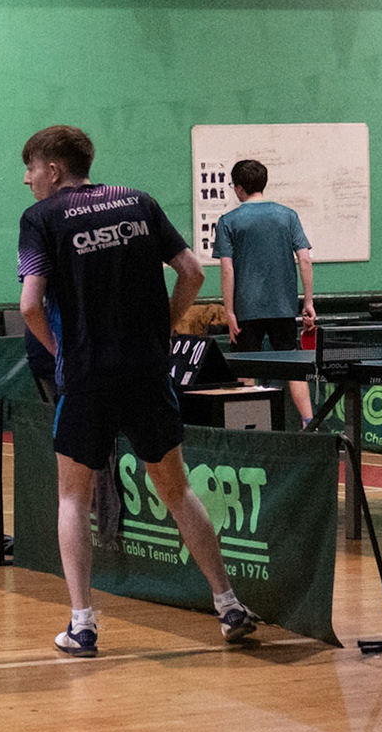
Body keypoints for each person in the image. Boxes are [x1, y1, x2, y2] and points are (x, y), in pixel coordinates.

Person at [16, 124, 261, 658]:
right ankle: (228, 605)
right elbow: (192, 272)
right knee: (177, 490)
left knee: (72, 498)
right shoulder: (139, 202)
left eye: (31, 170)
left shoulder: (40, 219)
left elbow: (29, 306)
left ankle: (82, 626)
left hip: (86, 376)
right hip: (147, 372)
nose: (28, 181)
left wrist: (62, 354)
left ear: (53, 169)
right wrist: (163, 329)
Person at [213, 160, 317, 427]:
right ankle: (310, 424)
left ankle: (248, 429)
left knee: (246, 369)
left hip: (246, 309)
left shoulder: (228, 221)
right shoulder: (288, 216)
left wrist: (229, 311)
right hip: (284, 307)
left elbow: (227, 269)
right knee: (294, 368)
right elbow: (305, 259)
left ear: (238, 188)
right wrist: (308, 302)